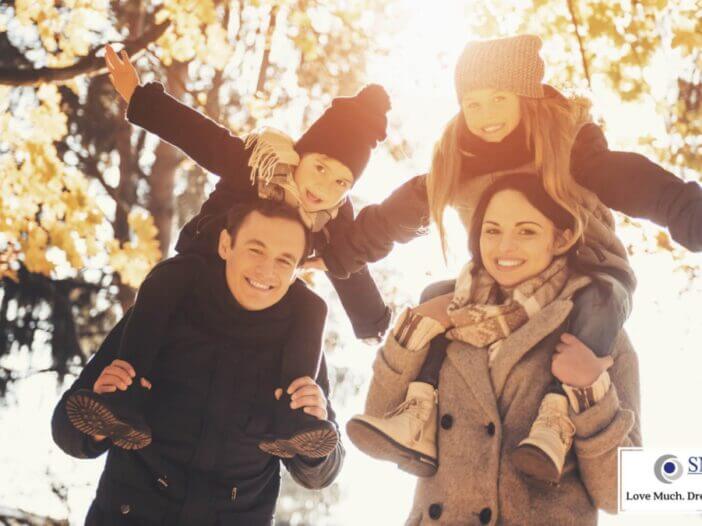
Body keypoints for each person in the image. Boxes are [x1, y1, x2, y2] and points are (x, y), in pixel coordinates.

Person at [352, 175, 640, 525]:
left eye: (526, 231)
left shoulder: (598, 333)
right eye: (492, 230)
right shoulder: (446, 313)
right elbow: (379, 424)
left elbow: (621, 492)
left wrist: (590, 392)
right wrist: (414, 331)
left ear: (561, 238)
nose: (505, 246)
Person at [53, 200, 344, 525]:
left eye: (284, 260)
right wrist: (98, 416)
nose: (267, 270)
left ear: (296, 272)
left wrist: (317, 436)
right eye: (255, 250)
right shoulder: (164, 307)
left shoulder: (301, 343)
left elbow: (322, 474)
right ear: (225, 245)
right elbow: (65, 427)